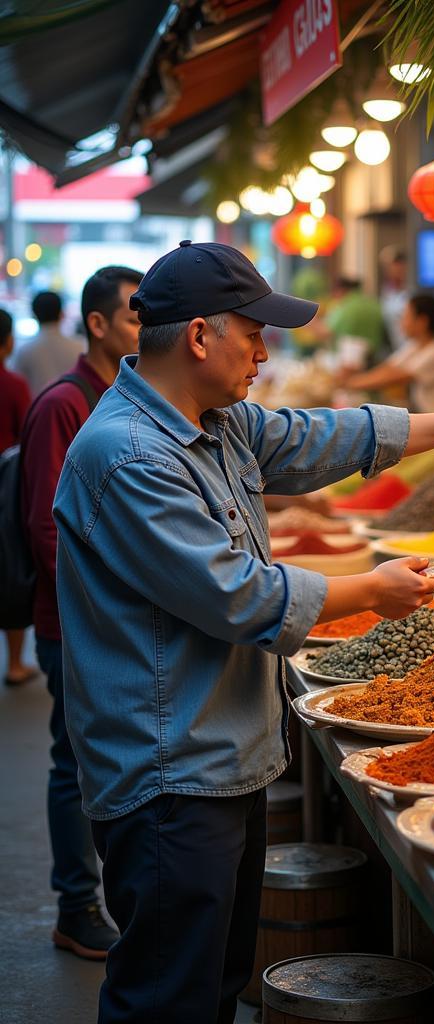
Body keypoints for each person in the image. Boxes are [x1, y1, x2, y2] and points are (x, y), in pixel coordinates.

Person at [52, 240, 434, 1023]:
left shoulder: (215, 424)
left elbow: (323, 435)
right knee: (165, 999)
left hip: (225, 755)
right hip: (169, 773)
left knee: (213, 985)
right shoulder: (128, 456)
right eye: (253, 333)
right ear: (197, 337)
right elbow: (236, 595)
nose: (264, 352)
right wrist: (373, 589)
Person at [21, 265, 143, 960]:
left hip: (114, 623)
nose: (141, 331)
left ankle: (108, 898)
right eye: (131, 318)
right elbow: (48, 531)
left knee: (105, 765)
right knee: (74, 765)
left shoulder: (124, 398)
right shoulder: (65, 405)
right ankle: (76, 904)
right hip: (74, 626)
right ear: (96, 324)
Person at [339, 293, 434, 414]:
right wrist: (353, 379)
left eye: (406, 317)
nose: (401, 323)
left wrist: (349, 383)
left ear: (422, 321)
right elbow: (388, 367)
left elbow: (394, 377)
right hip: (429, 415)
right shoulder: (415, 346)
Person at [0, 306, 36, 687]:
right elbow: (24, 435)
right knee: (7, 566)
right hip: (4, 487)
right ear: (8, 342)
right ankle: (13, 663)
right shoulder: (12, 384)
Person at [11, 289, 85, 396]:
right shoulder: (80, 347)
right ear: (62, 313)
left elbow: (17, 389)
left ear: (34, 315)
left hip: (38, 410)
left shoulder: (24, 351)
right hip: (77, 409)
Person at [316, 275, 387, 362]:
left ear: (341, 290)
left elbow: (325, 332)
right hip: (375, 357)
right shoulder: (373, 303)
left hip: (350, 362)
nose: (333, 297)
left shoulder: (345, 307)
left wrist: (305, 317)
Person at [379, 244, 408, 350]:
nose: (392, 269)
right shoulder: (386, 291)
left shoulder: (412, 290)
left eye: (396, 265)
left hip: (412, 347)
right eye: (387, 266)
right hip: (395, 347)